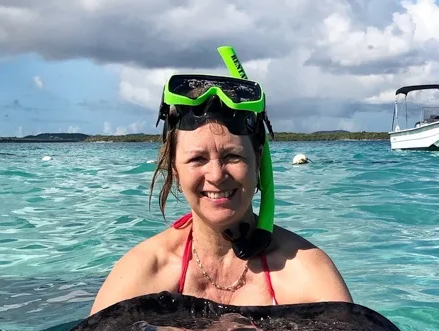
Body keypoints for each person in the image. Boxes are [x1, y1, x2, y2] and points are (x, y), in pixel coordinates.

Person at [91, 71, 352, 314]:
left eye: (233, 156)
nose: (216, 175)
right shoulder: (143, 274)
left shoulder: (307, 276)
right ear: (175, 169)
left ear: (258, 163)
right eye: (197, 159)